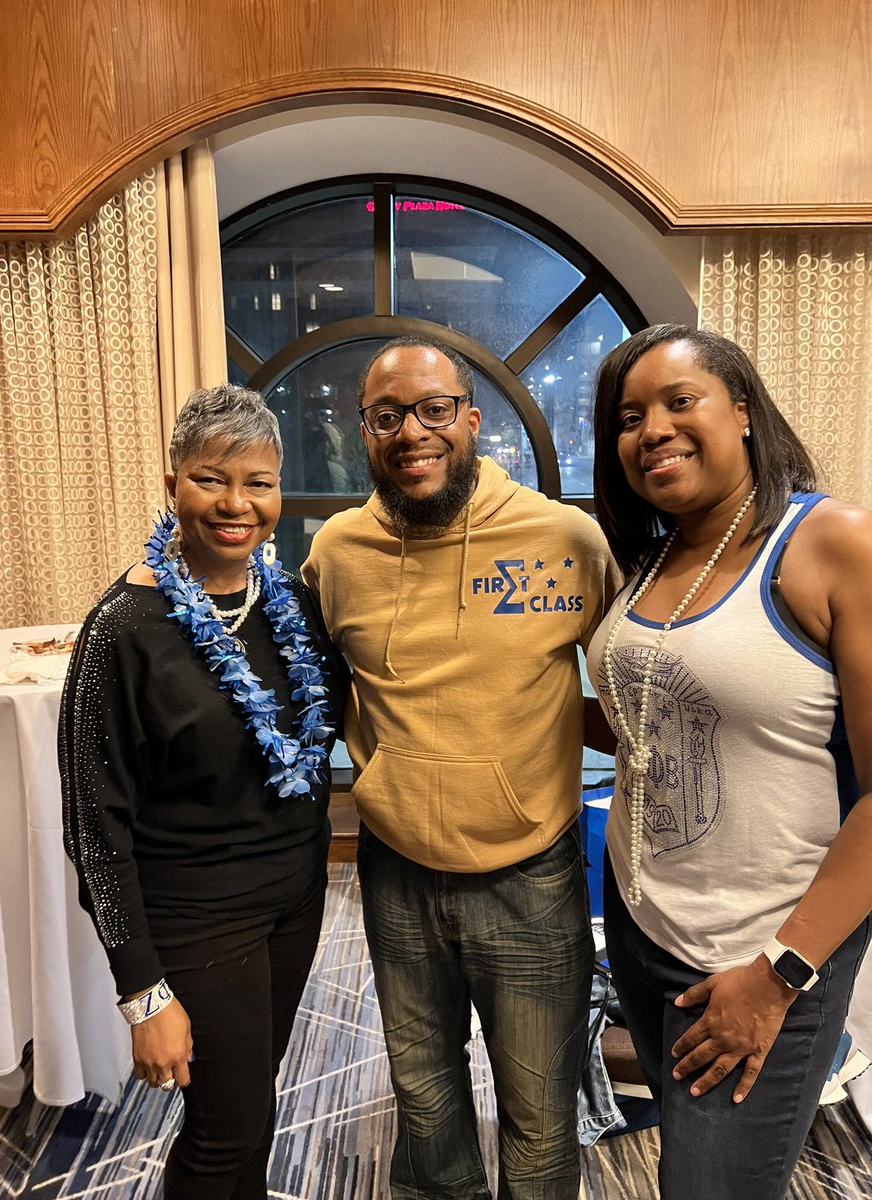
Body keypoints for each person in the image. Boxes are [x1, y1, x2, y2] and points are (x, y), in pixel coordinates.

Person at [302, 335, 619, 1198]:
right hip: (396, 870)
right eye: (387, 415)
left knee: (540, 1115)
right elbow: (311, 691)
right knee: (426, 1101)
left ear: (472, 420)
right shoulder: (336, 553)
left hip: (531, 875)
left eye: (434, 409)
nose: (412, 431)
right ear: (363, 431)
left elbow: (635, 685)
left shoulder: (564, 538)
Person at [587, 324, 872, 1199]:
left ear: (742, 409)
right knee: (688, 1162)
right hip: (644, 926)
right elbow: (657, 722)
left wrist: (780, 974)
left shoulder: (833, 543)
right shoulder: (657, 552)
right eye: (630, 417)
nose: (653, 430)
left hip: (764, 952)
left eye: (681, 401)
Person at [60, 385, 348, 1200]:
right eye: (212, 479)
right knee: (224, 1130)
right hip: (194, 911)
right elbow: (92, 827)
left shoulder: (291, 602)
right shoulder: (121, 629)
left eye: (258, 482)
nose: (237, 504)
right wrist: (142, 991)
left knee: (253, 1107)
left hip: (293, 899)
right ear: (173, 484)